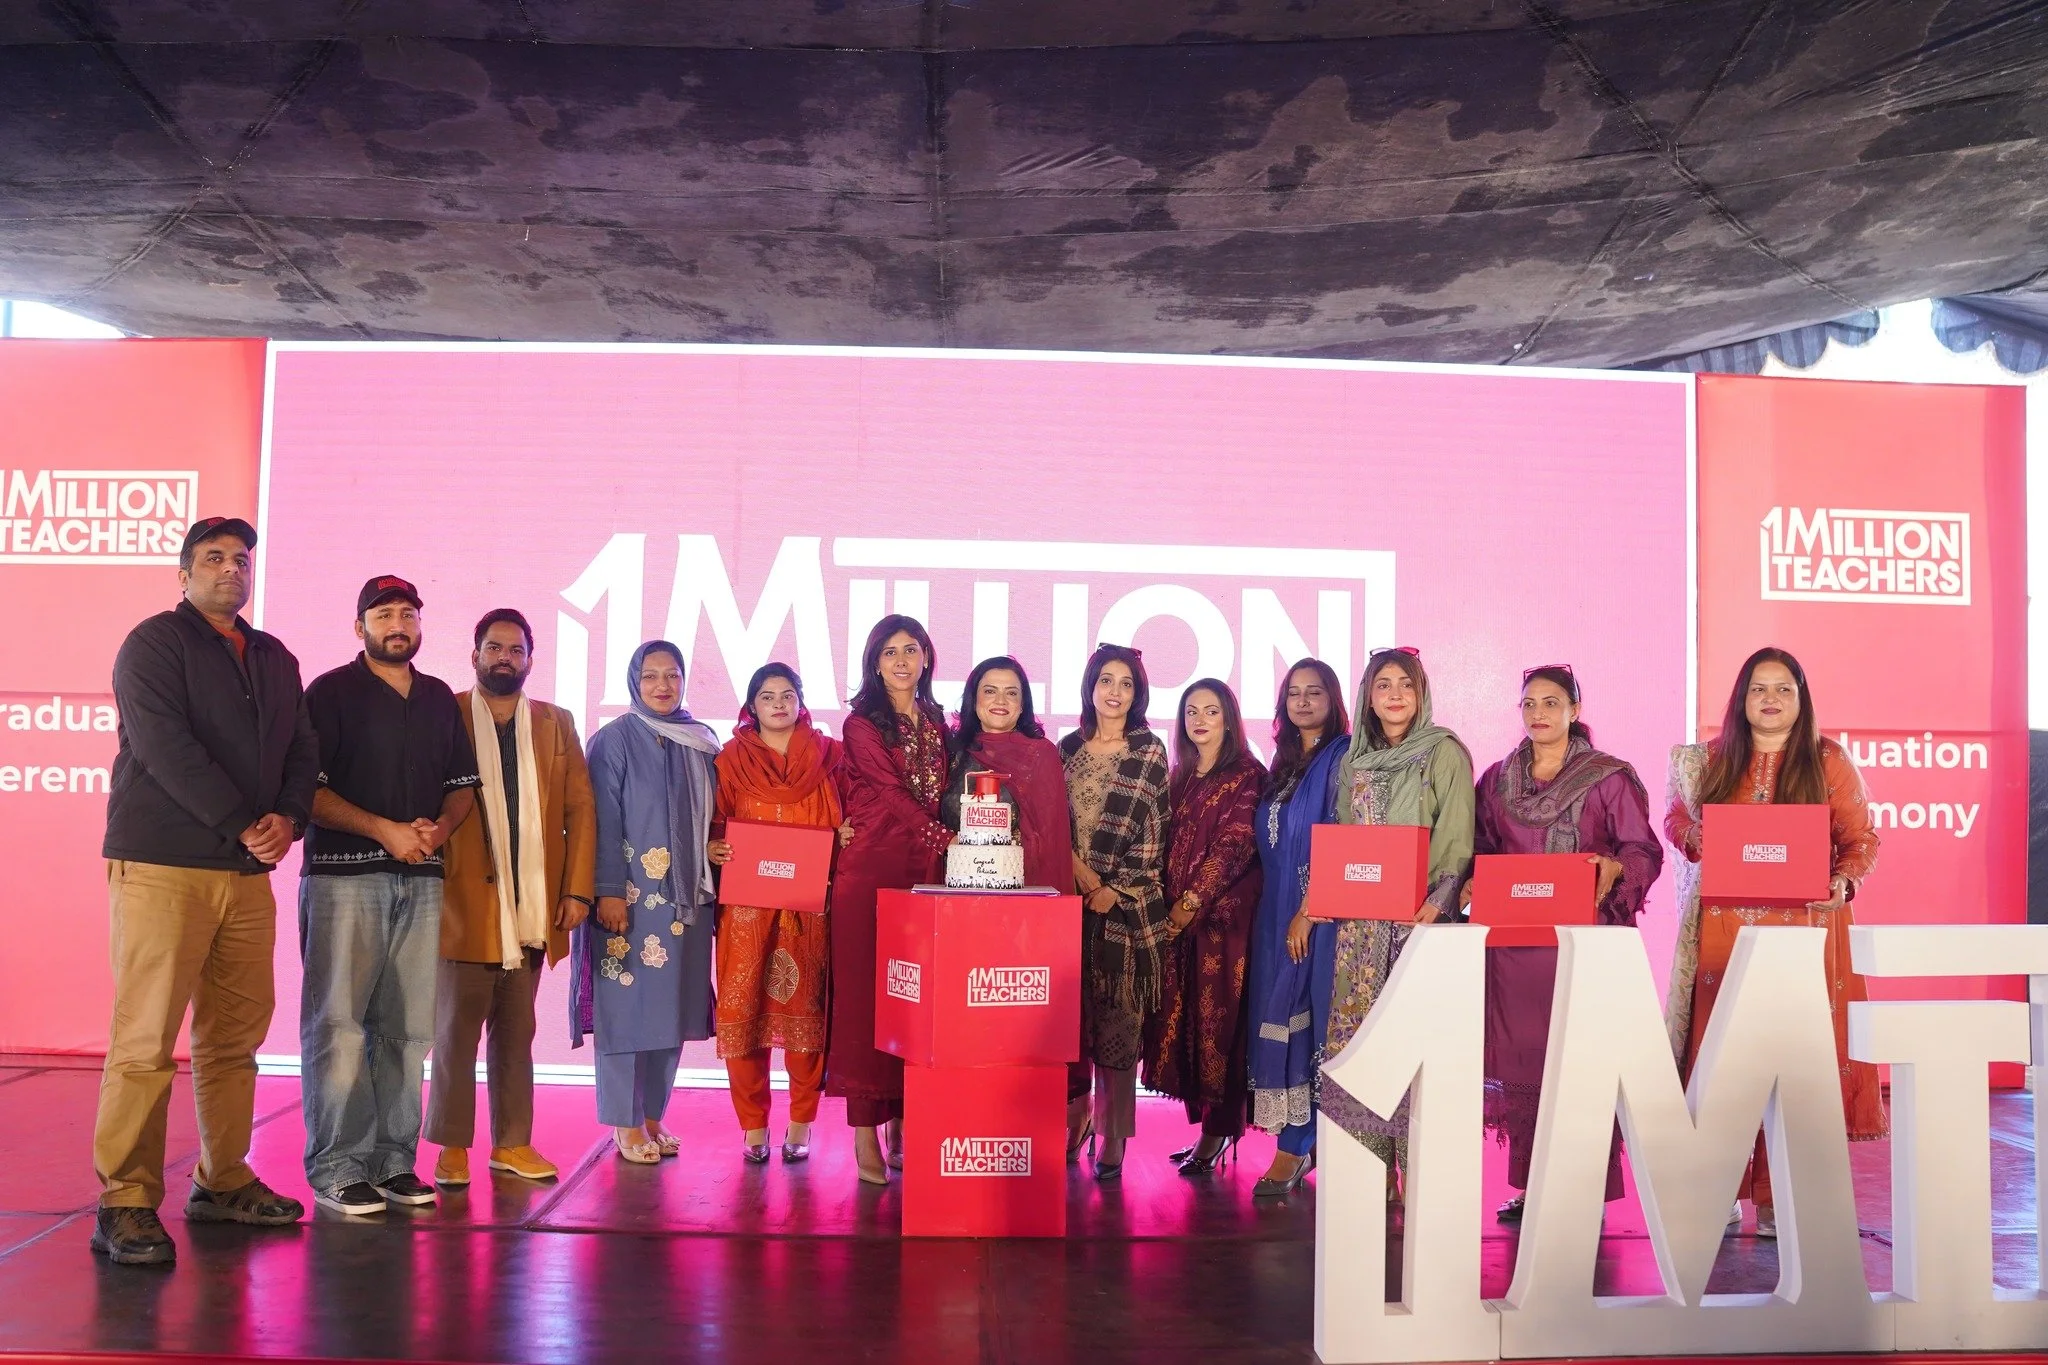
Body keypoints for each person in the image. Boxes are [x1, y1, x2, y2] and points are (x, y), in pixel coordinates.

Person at [90, 516, 319, 1265]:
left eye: (242, 558)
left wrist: (288, 818)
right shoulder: (153, 644)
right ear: (183, 573)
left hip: (246, 875)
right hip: (165, 864)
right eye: (215, 558)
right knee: (146, 1039)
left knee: (235, 1038)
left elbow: (303, 749)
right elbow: (164, 748)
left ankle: (222, 1180)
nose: (231, 569)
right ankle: (125, 1197)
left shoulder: (275, 657)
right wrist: (242, 822)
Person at [1663, 646, 1883, 1238]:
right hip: (1727, 932)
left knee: (1792, 1057)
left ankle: (1780, 1195)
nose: (1770, 699)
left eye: (1783, 689)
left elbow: (1862, 839)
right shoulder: (1711, 760)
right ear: (1741, 699)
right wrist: (1699, 839)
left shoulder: (1828, 760)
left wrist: (1844, 880)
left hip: (1806, 931)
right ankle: (1722, 1185)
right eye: (1758, 688)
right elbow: (1677, 820)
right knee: (1722, 1056)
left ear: (1801, 698)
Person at [301, 575, 479, 1216]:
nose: (397, 622)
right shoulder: (330, 692)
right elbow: (308, 791)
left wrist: (438, 832)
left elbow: (462, 786)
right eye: (383, 613)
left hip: (421, 880)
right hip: (346, 879)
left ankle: (393, 1162)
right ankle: (338, 1167)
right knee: (340, 1026)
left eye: (408, 612)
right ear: (360, 627)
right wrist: (385, 831)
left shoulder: (437, 698)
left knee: (406, 1031)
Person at [1470, 665, 1662, 1222]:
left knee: (1582, 1064)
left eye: (1551, 702)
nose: (1539, 713)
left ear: (1575, 710)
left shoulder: (1608, 778)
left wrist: (1612, 868)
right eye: (1528, 703)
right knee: (1526, 1068)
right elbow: (1481, 849)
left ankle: (1585, 1193)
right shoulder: (1498, 779)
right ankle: (1532, 1186)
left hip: (1582, 946)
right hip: (1516, 950)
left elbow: (1643, 851)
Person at [425, 609, 596, 1190]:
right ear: (474, 655)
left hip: (533, 906)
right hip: (462, 905)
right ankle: (450, 1147)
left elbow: (580, 811)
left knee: (516, 1032)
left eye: (515, 650)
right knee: (453, 1033)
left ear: (530, 659)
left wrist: (576, 890)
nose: (504, 657)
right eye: (494, 648)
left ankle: (512, 1143)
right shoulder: (443, 713)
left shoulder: (554, 723)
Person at [1318, 647, 1474, 1204]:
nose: (1395, 694)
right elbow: (1345, 838)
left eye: (1405, 684)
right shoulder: (1353, 760)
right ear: (1367, 696)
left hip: (1418, 925)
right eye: (1383, 684)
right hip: (1360, 932)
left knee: (1414, 1048)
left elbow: (1456, 834)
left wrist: (1441, 900)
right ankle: (1369, 1170)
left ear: (1421, 691)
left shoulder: (1443, 753)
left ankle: (1421, 1176)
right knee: (1363, 1046)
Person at [570, 641, 719, 1164]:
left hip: (684, 904)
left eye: (672, 676)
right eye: (651, 676)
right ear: (635, 681)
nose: (662, 686)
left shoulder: (697, 741)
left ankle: (653, 1114)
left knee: (670, 1013)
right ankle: (624, 1123)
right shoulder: (612, 741)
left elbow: (713, 819)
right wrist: (607, 891)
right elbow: (600, 824)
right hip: (629, 903)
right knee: (625, 1014)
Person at [704, 664, 849, 1164]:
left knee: (806, 1016)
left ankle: (801, 1122)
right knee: (745, 1018)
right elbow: (714, 821)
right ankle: (752, 1127)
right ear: (752, 705)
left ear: (802, 701)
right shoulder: (730, 761)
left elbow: (851, 816)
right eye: (768, 697)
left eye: (788, 695)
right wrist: (715, 846)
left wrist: (845, 837)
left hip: (808, 908)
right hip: (746, 910)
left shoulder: (830, 757)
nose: (779, 705)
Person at [830, 614, 952, 1185]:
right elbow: (892, 794)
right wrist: (943, 839)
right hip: (872, 873)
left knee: (916, 1001)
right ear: (874, 662)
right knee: (865, 1003)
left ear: (926, 658)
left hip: (927, 875)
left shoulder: (937, 720)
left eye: (911, 649)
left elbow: (945, 792)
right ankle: (863, 1138)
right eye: (889, 652)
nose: (901, 660)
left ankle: (905, 1119)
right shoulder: (861, 724)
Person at [1144, 678, 1266, 1174]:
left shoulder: (1248, 774)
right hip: (1181, 922)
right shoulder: (1181, 775)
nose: (1199, 720)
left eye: (1210, 711)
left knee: (1221, 1028)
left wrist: (1189, 903)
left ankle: (1218, 1135)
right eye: (1191, 711)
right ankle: (1207, 1134)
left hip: (1223, 924)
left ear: (1229, 718)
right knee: (1190, 1025)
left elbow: (1234, 845)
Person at [1059, 644, 1170, 1181]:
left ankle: (1113, 1136)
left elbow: (1154, 836)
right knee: (1069, 1026)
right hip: (1067, 906)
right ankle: (1077, 1118)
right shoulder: (1066, 750)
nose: (1115, 692)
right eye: (1107, 680)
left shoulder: (1148, 751)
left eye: (1127, 683)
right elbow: (1051, 827)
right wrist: (1082, 879)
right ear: (1090, 686)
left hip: (1125, 910)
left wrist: (1113, 889)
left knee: (1118, 1027)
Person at [1246, 658, 1350, 1197]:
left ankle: (1298, 1144)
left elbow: (1342, 836)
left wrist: (1310, 908)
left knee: (1308, 1026)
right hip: (1274, 915)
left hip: (1317, 915)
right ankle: (1295, 1142)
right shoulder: (1284, 765)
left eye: (1315, 692)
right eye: (1294, 694)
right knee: (1278, 1019)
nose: (1304, 702)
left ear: (1334, 701)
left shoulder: (1343, 759)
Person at [941, 655, 1073, 892]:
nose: (1000, 700)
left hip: (1018, 898)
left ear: (1022, 704)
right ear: (973, 700)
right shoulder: (951, 751)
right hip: (952, 893)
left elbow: (1051, 845)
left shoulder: (1040, 754)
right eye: (990, 691)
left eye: (1011, 693)